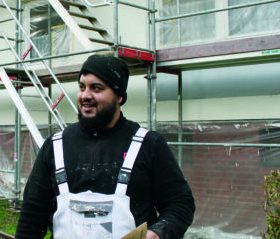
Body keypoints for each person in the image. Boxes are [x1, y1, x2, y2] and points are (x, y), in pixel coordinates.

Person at [16, 55, 195, 239]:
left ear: (119, 96)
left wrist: (159, 232)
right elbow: (32, 215)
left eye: (96, 88)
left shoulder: (148, 145)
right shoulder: (55, 146)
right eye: (82, 87)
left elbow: (180, 203)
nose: (85, 95)